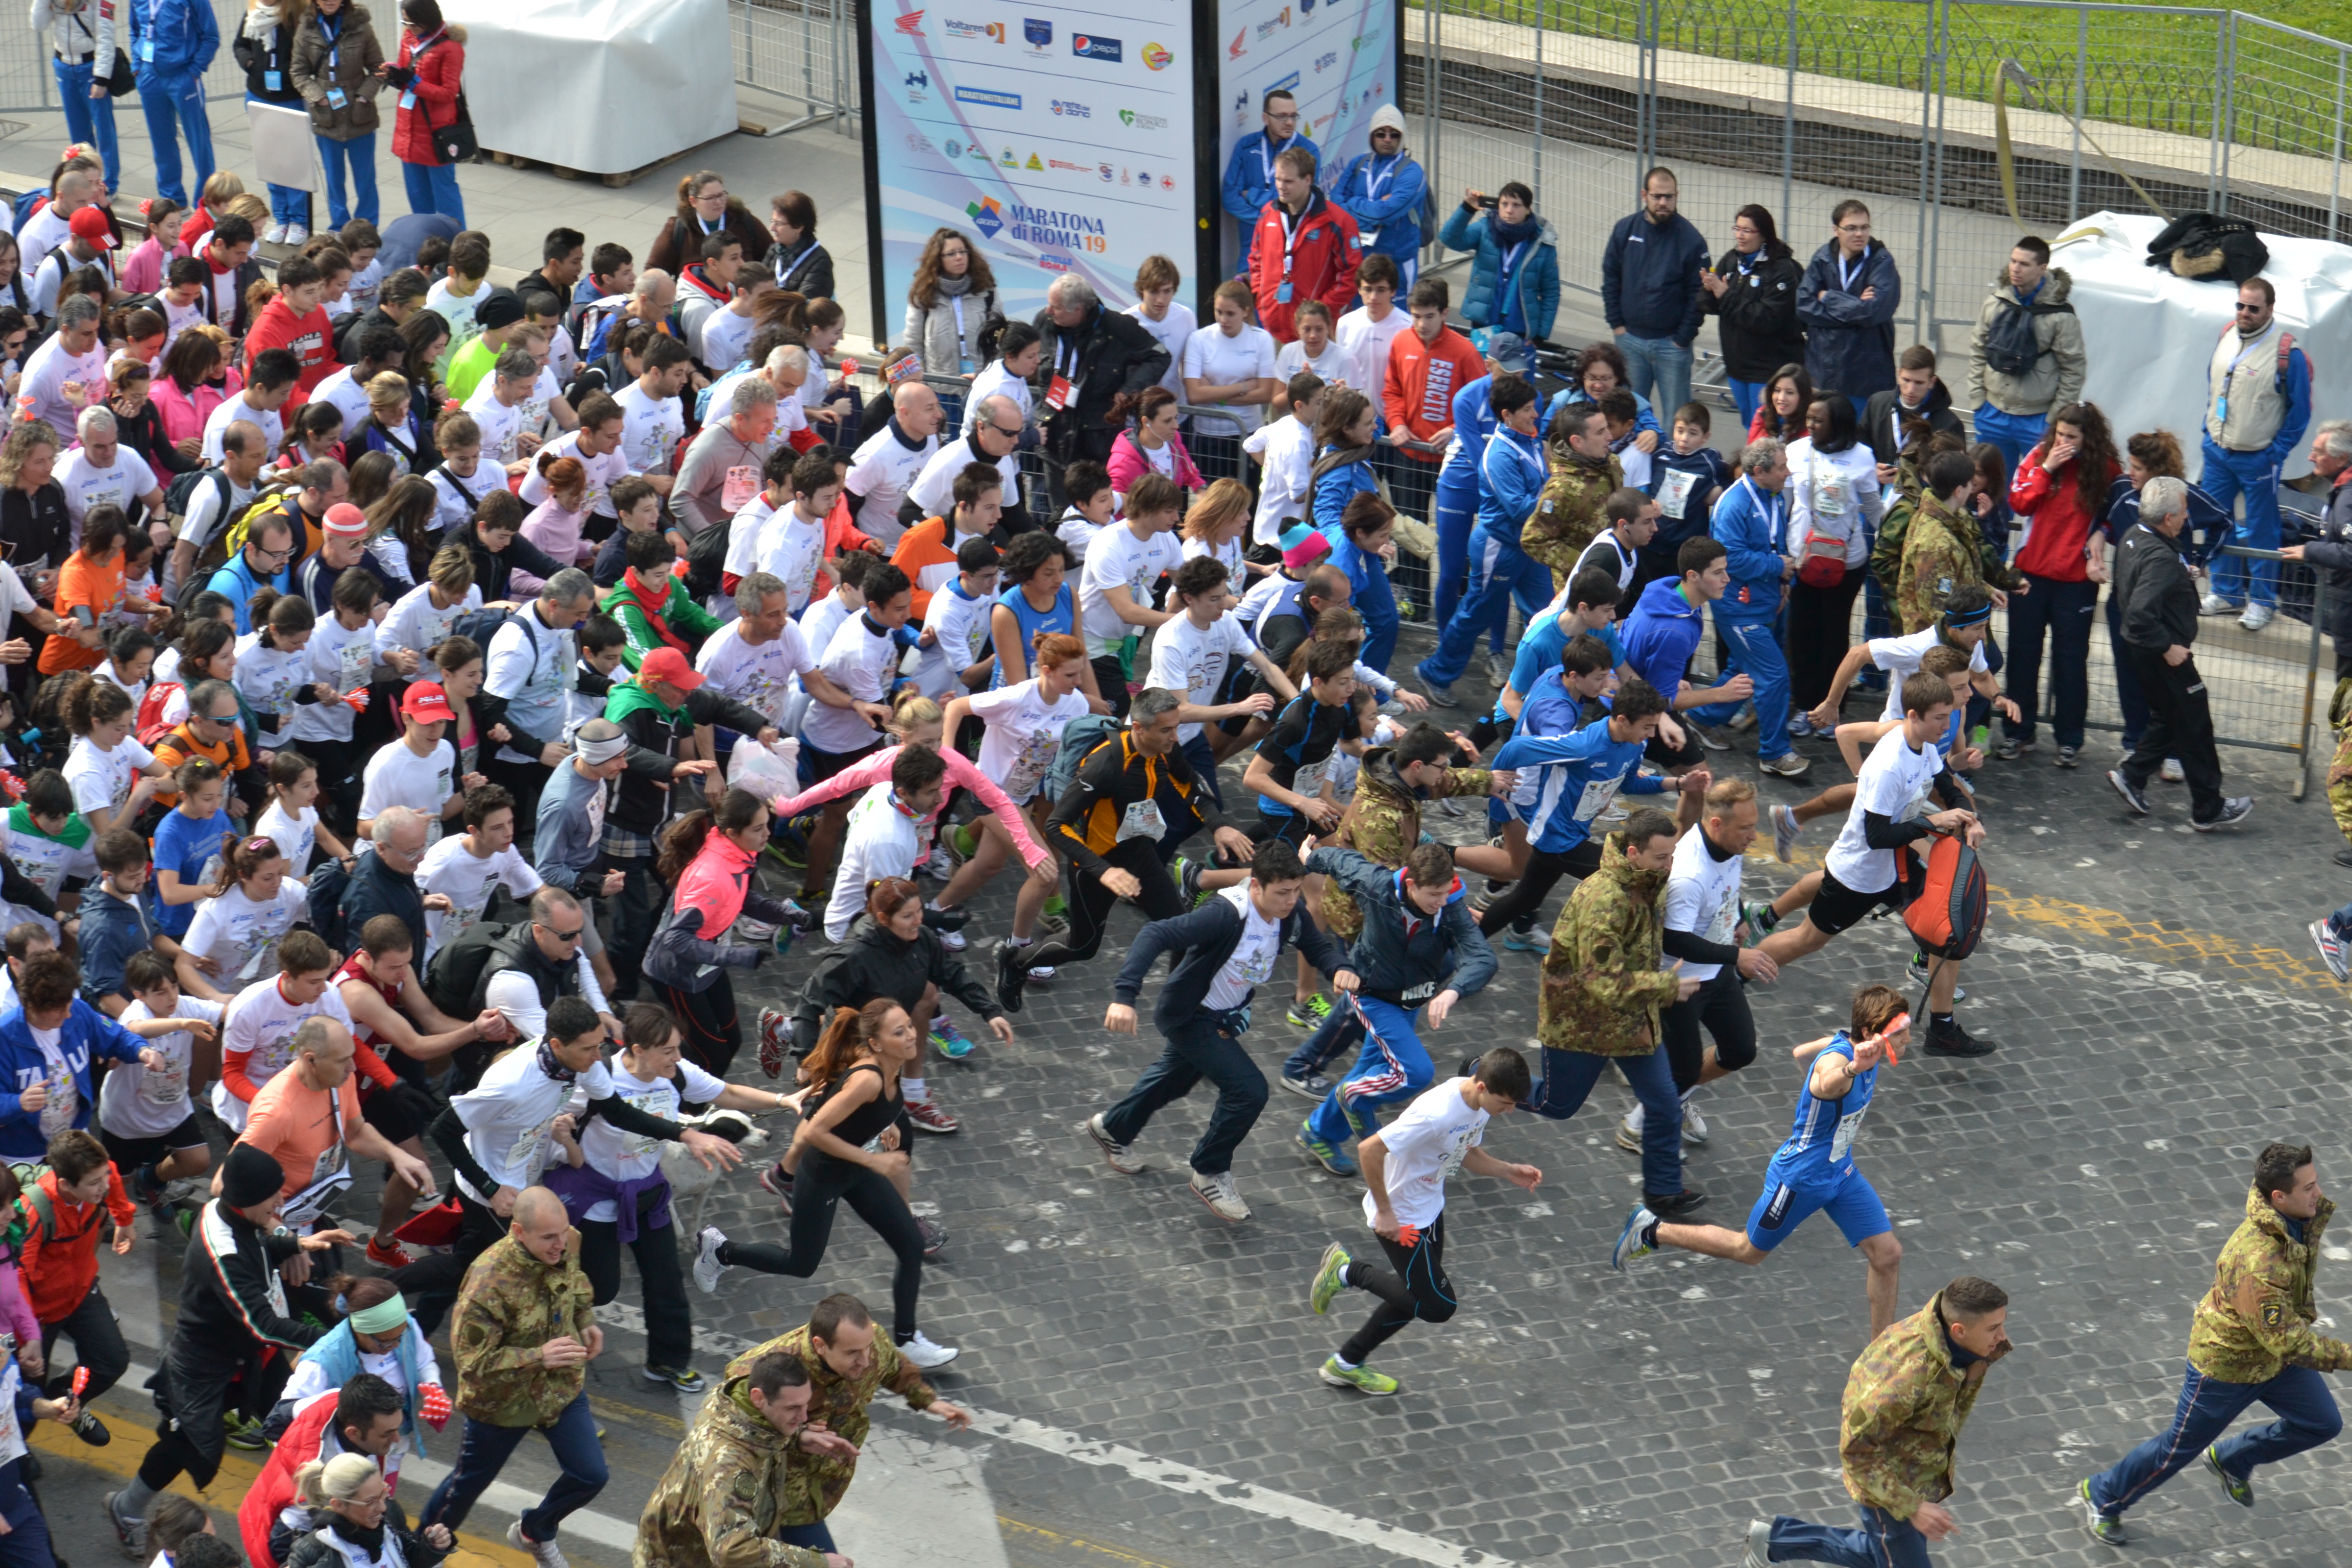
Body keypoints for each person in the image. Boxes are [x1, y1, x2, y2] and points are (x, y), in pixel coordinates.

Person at [2078, 1142, 2347, 1545]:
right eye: (2308, 1187)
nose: (2319, 1194)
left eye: (2316, 1182)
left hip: (2273, 1361)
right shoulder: (2259, 1262)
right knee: (2177, 1449)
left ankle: (2233, 1459)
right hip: (2225, 1370)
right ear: (2279, 1197)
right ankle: (2104, 1494)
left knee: (2323, 1423)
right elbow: (2289, 1343)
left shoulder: (2295, 1219)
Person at [1617, 984, 1908, 1341]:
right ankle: (1651, 1230)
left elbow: (1802, 1053)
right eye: (1901, 1031)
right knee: (1748, 1251)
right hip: (1800, 1179)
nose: (1909, 1037)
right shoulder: (1843, 1063)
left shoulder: (1852, 1045)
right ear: (1869, 1033)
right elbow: (1822, 1082)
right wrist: (1849, 1071)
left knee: (1888, 1255)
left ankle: (1880, 1353)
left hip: (1840, 1174)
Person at [105, 1142, 356, 1556]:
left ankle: (326, 1526)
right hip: (207, 1365)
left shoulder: (227, 1212)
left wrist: (295, 1244)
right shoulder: (223, 1252)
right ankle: (126, 1509)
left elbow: (259, 1244)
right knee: (184, 1445)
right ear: (247, 1200)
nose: (281, 1201)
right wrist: (338, 1341)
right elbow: (265, 1324)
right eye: (273, 1195)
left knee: (302, 1425)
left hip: (254, 1357)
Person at [1085, 840, 1353, 1222]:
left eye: (1296, 891)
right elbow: (1155, 934)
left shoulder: (1290, 914)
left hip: (1223, 1015)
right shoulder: (1227, 914)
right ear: (1256, 886)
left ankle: (1112, 1127)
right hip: (1191, 1015)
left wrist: (1340, 968)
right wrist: (1125, 997)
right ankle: (1209, 1171)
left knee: (1176, 1079)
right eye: (1282, 893)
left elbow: (1318, 947)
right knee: (1249, 1090)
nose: (1291, 900)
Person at [692, 999, 957, 1368]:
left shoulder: (892, 1066)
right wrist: (873, 1158)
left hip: (856, 1171)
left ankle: (906, 1341)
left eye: (910, 1026)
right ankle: (720, 1251)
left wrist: (888, 1125)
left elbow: (871, 1111)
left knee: (911, 1246)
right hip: (825, 1176)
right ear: (876, 1044)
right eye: (899, 1032)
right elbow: (814, 1131)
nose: (912, 1035)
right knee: (801, 1263)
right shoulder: (868, 1078)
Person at [547, 1001, 788, 1394]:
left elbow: (728, 1093)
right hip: (598, 1198)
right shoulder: (597, 1078)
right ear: (638, 1050)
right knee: (600, 1289)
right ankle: (556, 1346)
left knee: (667, 1282)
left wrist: (783, 1101)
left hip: (648, 1193)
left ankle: (667, 1362)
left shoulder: (675, 1075)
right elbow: (556, 1122)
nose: (678, 1058)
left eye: (678, 1049)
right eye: (668, 1051)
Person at [1758, 673, 1995, 1058]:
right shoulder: (1889, 764)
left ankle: (1942, 1030)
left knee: (1947, 935)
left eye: (1949, 716)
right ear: (1914, 715)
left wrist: (1970, 816)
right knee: (1809, 941)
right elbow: (1878, 836)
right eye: (1939, 718)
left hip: (1897, 869)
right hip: (1859, 876)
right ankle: (1738, 970)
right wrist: (1935, 822)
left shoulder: (1924, 744)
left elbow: (1946, 784)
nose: (1946, 726)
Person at [1305, 1046, 1536, 1396]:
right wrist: (1385, 1213)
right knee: (1437, 1306)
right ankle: (1346, 1272)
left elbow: (1468, 1152)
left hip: (1429, 1207)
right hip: (1402, 1219)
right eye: (1506, 1103)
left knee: (1415, 1296)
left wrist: (1508, 1171)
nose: (1510, 1111)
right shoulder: (1436, 1113)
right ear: (1484, 1087)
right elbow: (1370, 1150)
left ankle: (1347, 1364)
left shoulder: (1477, 1104)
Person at [1739, 1277, 2011, 1568]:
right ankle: (1774, 1542)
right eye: (1993, 1329)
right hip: (1887, 1489)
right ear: (1958, 1330)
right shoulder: (1905, 1381)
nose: (2002, 1337)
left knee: (1884, 1556)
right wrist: (1913, 1507)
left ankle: (1774, 1541)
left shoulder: (1962, 1345)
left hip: (1919, 1476)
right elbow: (1857, 1451)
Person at [1017, 689, 1257, 1002]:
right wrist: (1105, 872)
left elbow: (1190, 785)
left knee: (1181, 932)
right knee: (1082, 947)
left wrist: (1218, 824)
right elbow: (1056, 825)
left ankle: (1178, 1011)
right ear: (1139, 729)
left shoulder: (1165, 749)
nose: (1175, 736)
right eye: (1166, 730)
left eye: (1176, 727)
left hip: (1140, 855)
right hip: (1096, 866)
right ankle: (1012, 961)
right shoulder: (1105, 764)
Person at [1524, 807, 1705, 1214]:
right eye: (1662, 857)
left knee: (1662, 1103)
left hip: (1631, 1020)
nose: (1670, 865)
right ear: (1633, 853)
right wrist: (1666, 986)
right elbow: (1601, 981)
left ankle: (1663, 1192)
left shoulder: (1649, 880)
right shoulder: (1604, 901)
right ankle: (1482, 1076)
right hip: (1580, 1024)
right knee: (1557, 1105)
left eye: (1672, 855)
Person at [420, 1186, 604, 1567]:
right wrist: (539, 1356)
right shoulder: (488, 1283)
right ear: (519, 1232)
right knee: (465, 1487)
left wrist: (586, 1321)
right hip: (501, 1403)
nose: (560, 1245)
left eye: (563, 1233)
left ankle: (535, 1531)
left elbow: (577, 1284)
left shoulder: (565, 1241)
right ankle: (422, 1553)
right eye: (549, 1237)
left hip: (560, 1389)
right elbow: (473, 1363)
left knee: (590, 1475)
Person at [2109, 475, 2252, 831]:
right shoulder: (2160, 555)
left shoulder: (2135, 538)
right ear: (2169, 518)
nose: (2188, 517)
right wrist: (2167, 646)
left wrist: (2179, 573)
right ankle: (2208, 806)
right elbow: (2142, 611)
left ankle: (2132, 775)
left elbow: (2138, 590)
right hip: (2164, 654)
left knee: (2169, 717)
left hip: (2143, 652)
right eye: (2184, 511)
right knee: (2195, 724)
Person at [636, 1349, 862, 1568]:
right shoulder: (729, 1465)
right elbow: (731, 1550)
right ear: (759, 1398)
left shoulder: (737, 1408)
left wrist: (798, 1436)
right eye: (793, 1408)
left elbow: (755, 1433)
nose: (804, 1417)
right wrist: (816, 1563)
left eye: (805, 1405)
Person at [1414, 374, 1552, 704]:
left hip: (1525, 546)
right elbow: (1520, 508)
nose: (1536, 415)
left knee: (1547, 612)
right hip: (1499, 548)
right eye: (1529, 410)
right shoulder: (1501, 453)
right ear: (1507, 415)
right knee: (1476, 613)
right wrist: (1553, 497)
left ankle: (1542, 687)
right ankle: (1435, 672)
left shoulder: (1528, 440)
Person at [1997, 400, 2116, 765]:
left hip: (2076, 581)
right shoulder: (2039, 456)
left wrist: (2102, 534)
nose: (2064, 441)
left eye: (2072, 436)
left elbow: (2117, 512)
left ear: (2088, 438)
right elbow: (2018, 502)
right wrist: (2048, 468)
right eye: (2060, 433)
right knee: (2022, 656)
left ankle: (2069, 739)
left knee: (2070, 661)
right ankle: (2018, 733)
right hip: (2030, 577)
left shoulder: (2106, 469)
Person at [2200, 277, 2313, 630]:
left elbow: (2300, 412)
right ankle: (2226, 592)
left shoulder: (2288, 354)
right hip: (2218, 452)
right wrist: (2207, 432)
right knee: (2217, 523)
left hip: (2258, 457)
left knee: (2263, 529)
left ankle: (2263, 601)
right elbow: (2215, 384)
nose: (2245, 313)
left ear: (2270, 309)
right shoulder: (2227, 335)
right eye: (2241, 305)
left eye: (2253, 308)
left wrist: (2276, 453)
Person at [1964, 235, 2086, 473]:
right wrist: (1978, 400)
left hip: (2038, 419)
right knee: (1991, 491)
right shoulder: (1995, 303)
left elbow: (2074, 369)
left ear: (2042, 269)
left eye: (2024, 264)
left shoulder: (2061, 315)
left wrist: (2054, 419)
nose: (2015, 269)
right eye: (2013, 261)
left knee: (2038, 491)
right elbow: (1978, 348)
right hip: (1992, 413)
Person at [1033, 274, 1171, 480]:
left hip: (1098, 438)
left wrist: (1129, 389)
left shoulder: (1118, 327)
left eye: (1056, 306)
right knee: (1056, 509)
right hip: (1055, 434)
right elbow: (1025, 356)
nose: (1048, 311)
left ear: (1078, 309)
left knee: (1097, 506)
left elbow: (1160, 356)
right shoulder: (1045, 322)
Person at [1600, 167, 1708, 414]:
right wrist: (1616, 323)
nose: (1663, 202)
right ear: (1644, 195)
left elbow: (1699, 295)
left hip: (1672, 347)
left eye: (1669, 197)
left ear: (1676, 196)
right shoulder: (1625, 230)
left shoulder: (1691, 240)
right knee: (1628, 417)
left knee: (1677, 419)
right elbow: (1611, 278)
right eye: (1657, 196)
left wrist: (1683, 338)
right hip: (1629, 342)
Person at [1703, 204, 1806, 428]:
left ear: (1764, 234)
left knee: (1769, 430)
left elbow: (1766, 319)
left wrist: (1725, 295)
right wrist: (1709, 291)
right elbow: (1714, 305)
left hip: (1770, 369)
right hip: (1737, 366)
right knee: (1751, 428)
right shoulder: (1732, 260)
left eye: (1747, 231)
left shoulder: (1783, 270)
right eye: (1737, 229)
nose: (1740, 236)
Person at [1246, 148, 1360, 348]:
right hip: (1274, 327)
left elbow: (1351, 275)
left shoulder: (1338, 222)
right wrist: (1261, 300)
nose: (1281, 187)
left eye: (1288, 181)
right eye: (1278, 179)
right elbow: (1256, 260)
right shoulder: (1268, 214)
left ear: (1308, 180)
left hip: (1318, 331)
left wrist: (1320, 311)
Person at [288, 0, 384, 230]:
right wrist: (318, 96)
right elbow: (298, 71)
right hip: (326, 115)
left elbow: (378, 68)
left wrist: (364, 96)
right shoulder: (306, 28)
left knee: (365, 178)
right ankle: (340, 227)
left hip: (359, 114)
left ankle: (367, 226)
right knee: (334, 178)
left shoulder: (361, 26)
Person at [1798, 200, 1902, 410]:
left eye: (1865, 227)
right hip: (1825, 368)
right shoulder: (1822, 258)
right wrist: (1854, 309)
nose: (1860, 234)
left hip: (1866, 373)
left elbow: (1873, 313)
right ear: (1836, 230)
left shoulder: (1882, 262)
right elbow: (1804, 306)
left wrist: (1828, 298)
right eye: (1852, 228)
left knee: (1862, 437)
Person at [1437, 183, 1559, 345]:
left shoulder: (1543, 243)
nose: (1509, 210)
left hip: (1520, 327)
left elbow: (1551, 292)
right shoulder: (1485, 228)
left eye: (1517, 205)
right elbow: (1449, 239)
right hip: (1484, 319)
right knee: (1482, 368)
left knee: (1512, 371)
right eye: (1505, 204)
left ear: (1528, 209)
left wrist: (1541, 335)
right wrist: (1467, 209)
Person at [126, 0, 220, 208]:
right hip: (150, 77)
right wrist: (137, 65)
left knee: (199, 141)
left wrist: (195, 70)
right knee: (161, 141)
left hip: (183, 77)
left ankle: (204, 202)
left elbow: (211, 36)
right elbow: (135, 31)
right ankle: (172, 197)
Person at [383, 0, 465, 225]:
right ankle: (425, 245)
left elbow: (449, 93)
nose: (409, 27)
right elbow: (405, 74)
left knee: (446, 196)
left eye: (413, 22)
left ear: (428, 18)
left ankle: (457, 247)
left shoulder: (450, 48)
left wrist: (414, 82)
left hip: (436, 133)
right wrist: (395, 76)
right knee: (418, 198)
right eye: (405, 21)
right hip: (409, 131)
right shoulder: (408, 39)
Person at [1220, 89, 1317, 275]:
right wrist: (1268, 220)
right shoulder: (1246, 146)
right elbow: (1230, 196)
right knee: (1246, 302)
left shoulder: (1308, 152)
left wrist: (1253, 195)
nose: (1289, 122)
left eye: (1293, 116)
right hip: (1251, 253)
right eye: (1282, 117)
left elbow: (1301, 199)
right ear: (1265, 118)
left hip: (1288, 250)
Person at [1331, 105, 1426, 289]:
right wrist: (1373, 211)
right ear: (1372, 137)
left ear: (1403, 137)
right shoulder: (1358, 163)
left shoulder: (1413, 172)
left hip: (1396, 263)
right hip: (1360, 260)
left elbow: (1385, 214)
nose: (1387, 140)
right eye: (1381, 134)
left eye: (1394, 134)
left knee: (1399, 319)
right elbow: (1335, 206)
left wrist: (1352, 205)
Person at [1181, 278, 1279, 439]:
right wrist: (1245, 386)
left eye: (1230, 314)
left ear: (1246, 312)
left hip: (1248, 431)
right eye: (1218, 312)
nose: (1223, 320)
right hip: (1207, 432)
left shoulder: (1262, 339)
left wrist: (1214, 395)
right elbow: (1194, 395)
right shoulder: (1198, 339)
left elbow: (1267, 394)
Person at [899, 228, 996, 379]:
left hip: (980, 382)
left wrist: (991, 377)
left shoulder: (986, 290)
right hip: (941, 385)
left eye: (963, 252)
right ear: (938, 259)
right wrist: (919, 380)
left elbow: (999, 338)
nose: (959, 257)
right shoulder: (924, 293)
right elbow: (913, 342)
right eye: (951, 254)